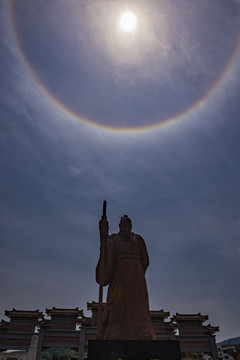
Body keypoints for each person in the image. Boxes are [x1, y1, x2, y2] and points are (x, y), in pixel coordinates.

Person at [96, 214, 156, 340]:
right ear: (119, 225)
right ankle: (116, 331)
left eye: (128, 223)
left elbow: (145, 260)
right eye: (124, 223)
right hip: (119, 275)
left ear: (131, 225)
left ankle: (142, 330)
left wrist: (138, 273)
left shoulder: (138, 239)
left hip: (136, 277)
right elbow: (106, 252)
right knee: (117, 303)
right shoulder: (113, 239)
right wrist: (104, 233)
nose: (126, 226)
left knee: (138, 304)